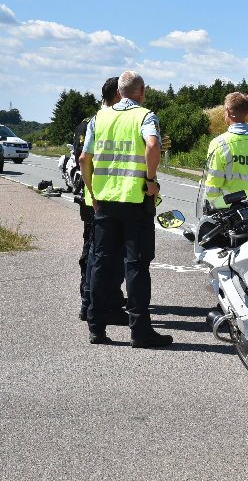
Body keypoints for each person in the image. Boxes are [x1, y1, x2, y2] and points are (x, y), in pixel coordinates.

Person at [79, 70, 172, 347]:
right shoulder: (145, 116)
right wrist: (151, 180)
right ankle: (140, 330)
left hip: (105, 202)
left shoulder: (99, 117)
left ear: (119, 92)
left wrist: (93, 192)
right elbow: (153, 144)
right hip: (135, 202)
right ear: (141, 92)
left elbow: (85, 158)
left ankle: (96, 327)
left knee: (102, 263)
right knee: (137, 266)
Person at [76, 77, 126, 324]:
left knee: (93, 252)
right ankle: (99, 304)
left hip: (91, 198)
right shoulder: (110, 122)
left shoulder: (87, 122)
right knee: (107, 256)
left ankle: (90, 303)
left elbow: (81, 159)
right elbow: (84, 159)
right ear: (118, 95)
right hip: (106, 199)